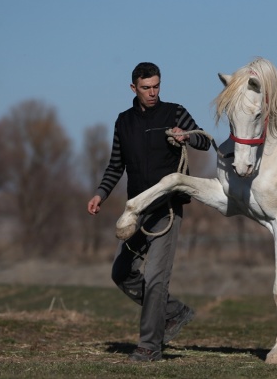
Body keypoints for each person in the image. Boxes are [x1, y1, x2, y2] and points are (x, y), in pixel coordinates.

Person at [87, 62, 210, 362]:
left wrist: (187, 136)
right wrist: (100, 194)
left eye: (156, 86)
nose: (153, 92)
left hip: (166, 210)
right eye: (146, 88)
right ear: (134, 88)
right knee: (121, 272)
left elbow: (205, 139)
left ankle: (149, 346)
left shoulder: (174, 111)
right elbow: (116, 165)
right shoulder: (123, 122)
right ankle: (173, 311)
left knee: (155, 278)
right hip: (137, 211)